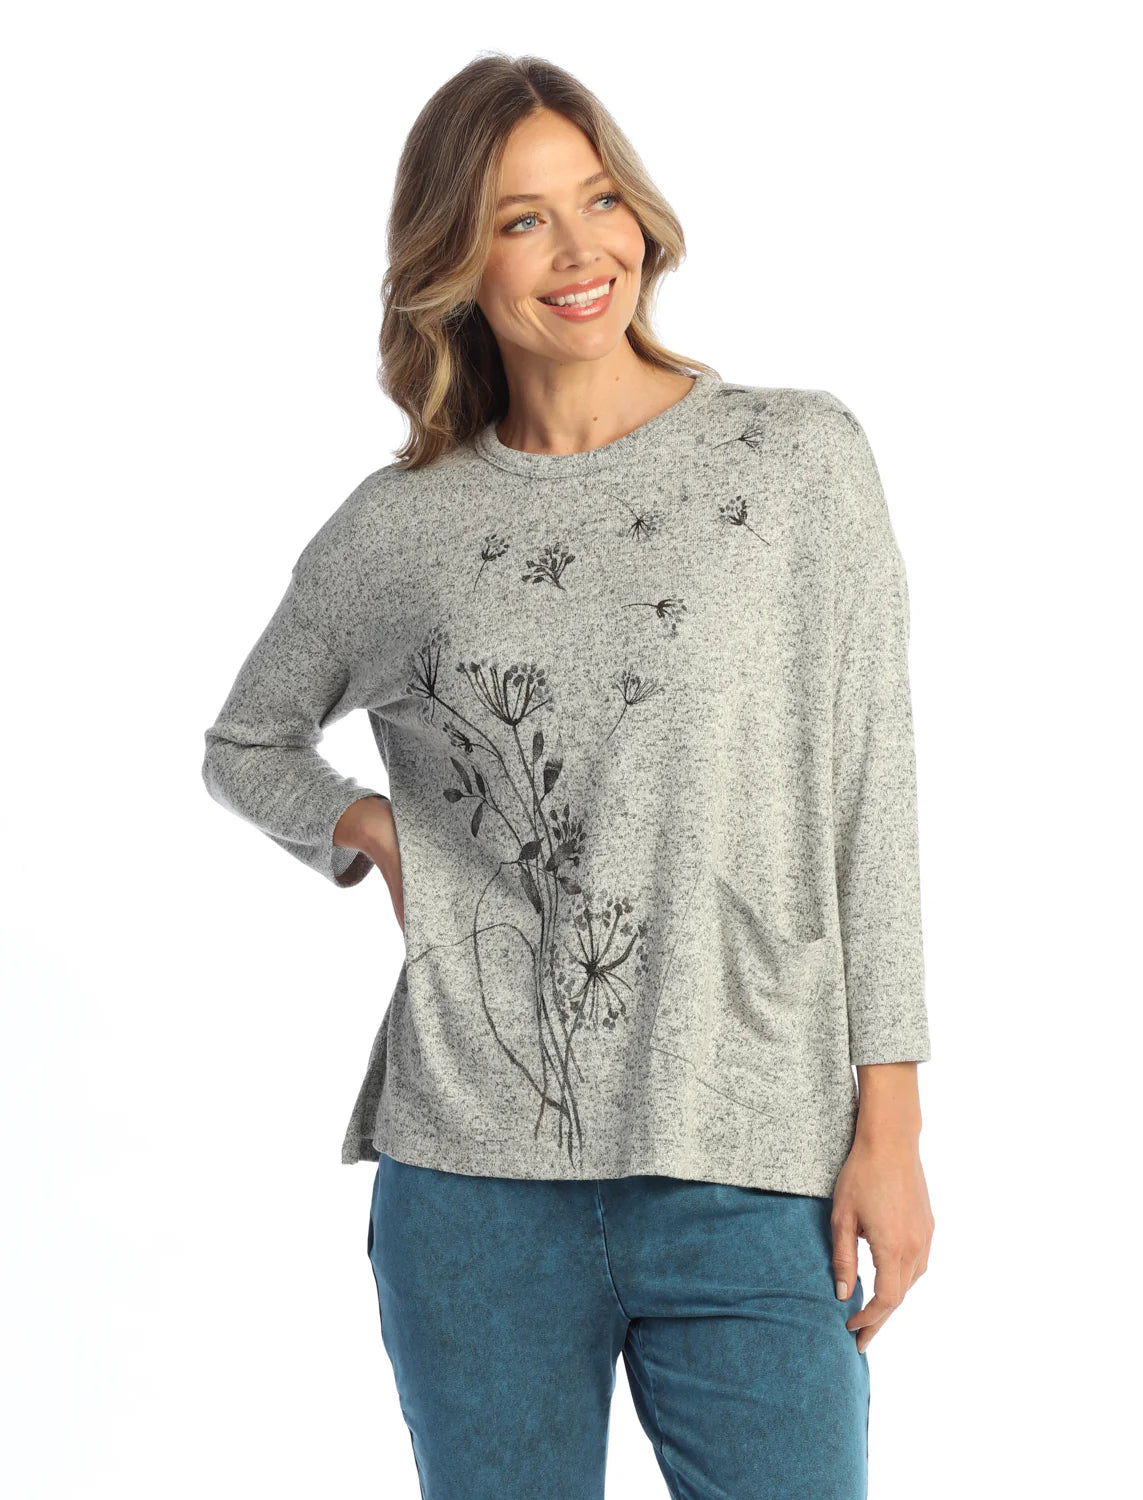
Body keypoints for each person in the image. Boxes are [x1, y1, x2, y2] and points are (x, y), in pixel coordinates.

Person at [201, 52, 934, 1500]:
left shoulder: (798, 461)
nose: (581, 249)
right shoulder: (402, 527)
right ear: (455, 264)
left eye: (599, 200)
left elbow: (872, 801)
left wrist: (891, 1130)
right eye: (522, 219)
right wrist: (369, 829)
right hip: (474, 1185)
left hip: (754, 1164)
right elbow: (246, 742)